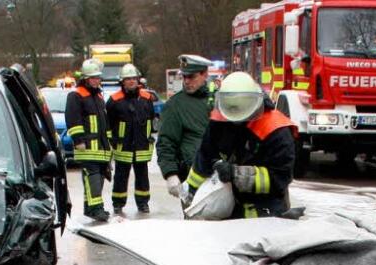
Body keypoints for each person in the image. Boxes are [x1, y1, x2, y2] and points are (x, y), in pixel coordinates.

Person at [184, 71, 296, 218]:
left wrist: (235, 174)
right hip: (229, 207)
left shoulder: (276, 129)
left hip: (267, 211)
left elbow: (280, 178)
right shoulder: (220, 120)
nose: (235, 123)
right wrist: (189, 193)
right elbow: (204, 157)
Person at [156, 54, 216, 198]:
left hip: (220, 176)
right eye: (184, 77)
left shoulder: (217, 100)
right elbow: (166, 142)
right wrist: (170, 174)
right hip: (192, 178)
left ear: (204, 74)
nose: (187, 81)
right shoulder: (175, 105)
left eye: (192, 77)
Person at [65, 58, 112, 223]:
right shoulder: (76, 95)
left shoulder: (98, 96)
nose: (96, 80)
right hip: (87, 147)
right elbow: (73, 119)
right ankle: (96, 209)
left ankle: (91, 208)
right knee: (92, 178)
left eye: (98, 77)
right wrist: (78, 140)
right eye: (93, 77)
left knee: (98, 178)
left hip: (101, 148)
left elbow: (104, 122)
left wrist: (109, 143)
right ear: (85, 78)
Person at [106, 63, 155, 215]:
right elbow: (108, 123)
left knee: (142, 176)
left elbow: (151, 120)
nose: (131, 81)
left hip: (141, 144)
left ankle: (143, 203)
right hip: (123, 145)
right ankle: (118, 204)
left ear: (138, 80)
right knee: (121, 176)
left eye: (134, 78)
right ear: (122, 81)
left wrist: (149, 138)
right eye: (128, 79)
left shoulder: (147, 98)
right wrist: (112, 141)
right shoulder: (114, 100)